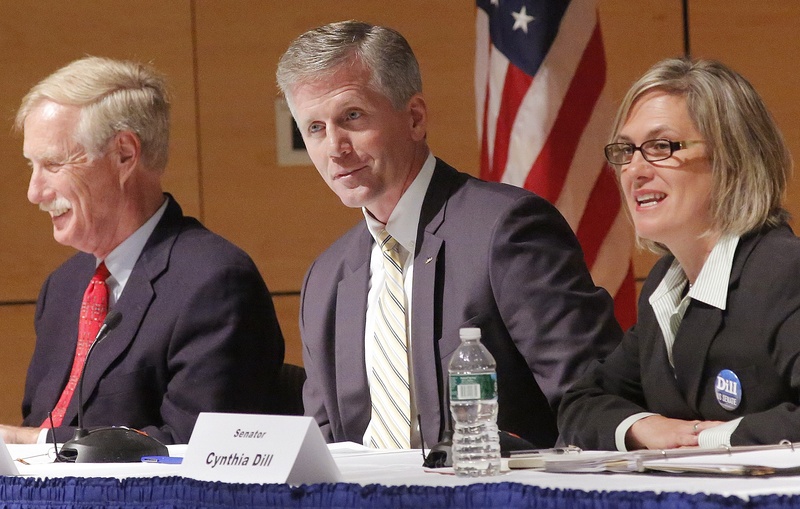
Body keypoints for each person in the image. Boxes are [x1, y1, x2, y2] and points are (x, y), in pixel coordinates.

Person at [276, 20, 622, 449]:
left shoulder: (507, 230)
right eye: (315, 128)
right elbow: (326, 447)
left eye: (352, 116)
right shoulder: (325, 277)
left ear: (415, 117)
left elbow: (592, 400)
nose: (335, 147)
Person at [4, 56, 285, 445]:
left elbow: (199, 446)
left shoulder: (214, 283)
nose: (35, 192)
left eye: (53, 164)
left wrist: (30, 443)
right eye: (31, 166)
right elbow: (41, 420)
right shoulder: (63, 287)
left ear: (124, 154)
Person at [558, 58, 800, 451]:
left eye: (659, 146)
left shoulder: (785, 273)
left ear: (732, 159)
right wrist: (643, 427)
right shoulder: (665, 285)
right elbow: (582, 403)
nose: (634, 169)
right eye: (626, 150)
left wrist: (713, 437)